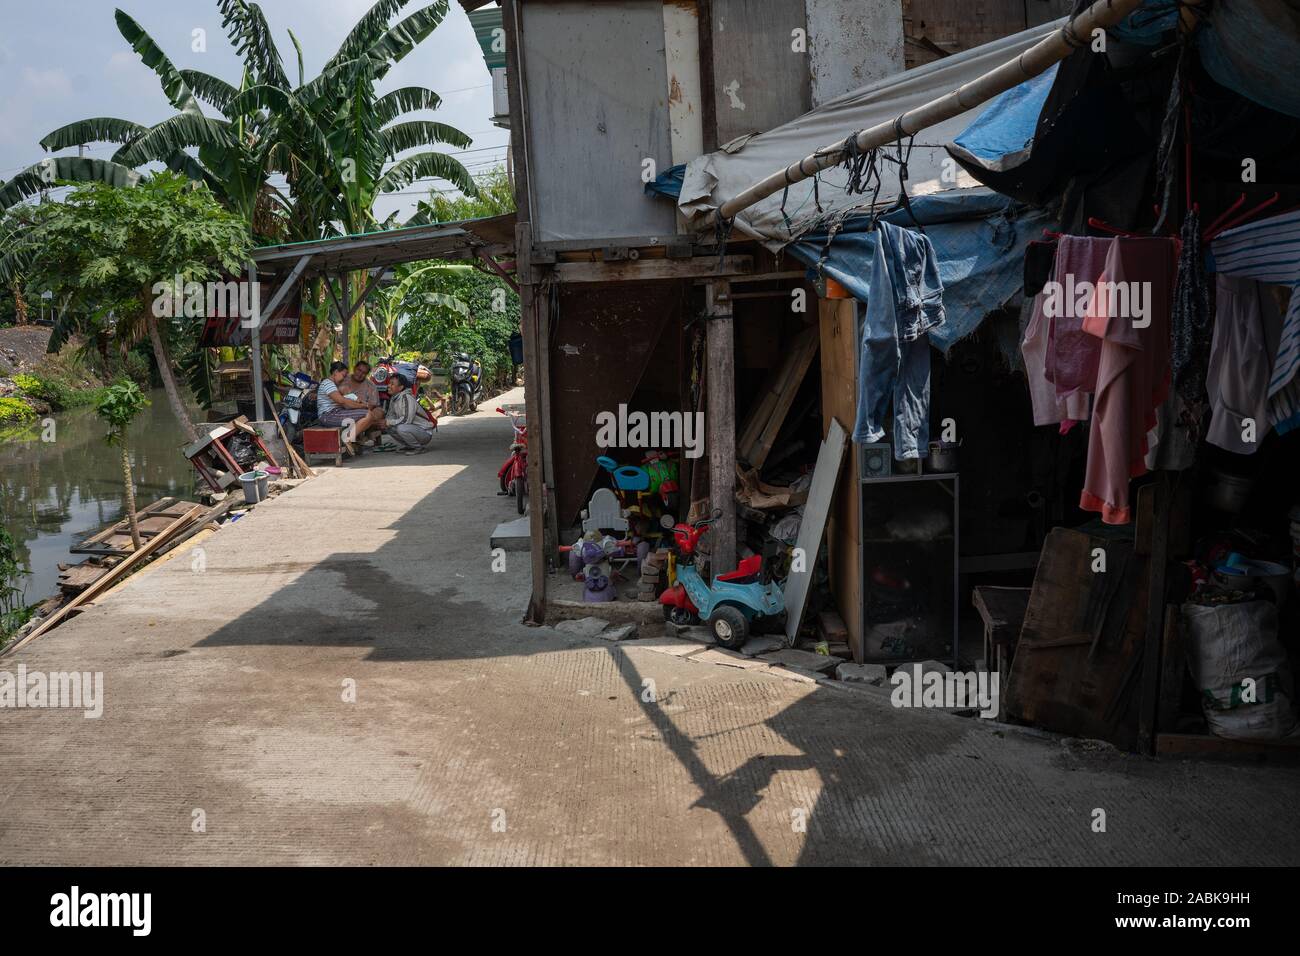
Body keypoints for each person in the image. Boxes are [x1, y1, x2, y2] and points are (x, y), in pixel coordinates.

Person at [316, 361, 383, 451]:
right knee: (368, 414)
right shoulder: (328, 384)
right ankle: (348, 439)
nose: (343, 379)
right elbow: (342, 401)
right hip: (328, 415)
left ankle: (351, 439)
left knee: (371, 414)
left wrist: (359, 403)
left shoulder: (333, 384)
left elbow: (345, 400)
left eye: (364, 373)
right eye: (343, 375)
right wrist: (363, 406)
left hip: (335, 413)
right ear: (335, 372)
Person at [384, 374, 435, 454]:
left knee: (401, 428)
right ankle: (410, 446)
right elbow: (391, 416)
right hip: (413, 429)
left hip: (424, 432)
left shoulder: (406, 397)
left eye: (392, 384)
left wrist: (388, 422)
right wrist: (384, 422)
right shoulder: (394, 398)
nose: (389, 386)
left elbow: (406, 420)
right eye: (389, 383)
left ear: (400, 387)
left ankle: (418, 448)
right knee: (388, 427)